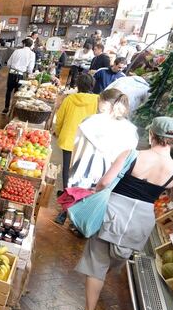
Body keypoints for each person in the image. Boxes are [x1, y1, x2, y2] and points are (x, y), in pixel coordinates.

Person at [76, 116, 173, 310]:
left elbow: (104, 182)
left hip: (113, 212)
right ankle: (99, 284)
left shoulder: (132, 154)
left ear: (152, 134)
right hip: (141, 221)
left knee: (97, 262)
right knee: (115, 259)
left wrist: (95, 194)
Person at [54, 89, 138, 226]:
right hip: (108, 173)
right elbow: (127, 156)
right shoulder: (130, 130)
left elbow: (78, 144)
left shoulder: (91, 121)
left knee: (75, 195)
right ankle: (82, 225)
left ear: (105, 103)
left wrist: (74, 166)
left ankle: (65, 215)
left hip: (83, 168)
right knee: (93, 202)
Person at [55, 74, 99, 191]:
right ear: (92, 85)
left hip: (68, 137)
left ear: (78, 85)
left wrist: (58, 132)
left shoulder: (69, 99)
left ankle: (65, 191)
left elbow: (59, 118)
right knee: (82, 167)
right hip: (87, 140)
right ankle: (77, 192)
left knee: (66, 167)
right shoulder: (97, 100)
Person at [2, 38, 36, 115]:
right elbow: (30, 69)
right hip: (21, 75)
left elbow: (8, 63)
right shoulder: (32, 54)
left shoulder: (16, 51)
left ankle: (6, 108)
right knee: (18, 93)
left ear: (24, 44)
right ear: (31, 45)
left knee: (9, 91)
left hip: (12, 73)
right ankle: (14, 110)